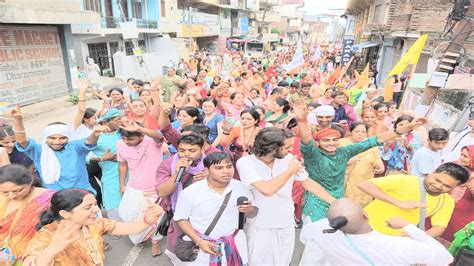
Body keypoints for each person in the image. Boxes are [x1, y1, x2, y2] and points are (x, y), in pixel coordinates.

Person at [292, 98, 426, 223]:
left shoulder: (344, 152)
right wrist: (302, 120)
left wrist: (406, 128)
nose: (331, 143)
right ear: (319, 143)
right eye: (326, 141)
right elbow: (307, 140)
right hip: (316, 204)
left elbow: (375, 140)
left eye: (334, 140)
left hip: (339, 204)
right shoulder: (313, 155)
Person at [236, 127, 336, 265]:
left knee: (284, 262)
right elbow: (266, 189)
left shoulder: (288, 159)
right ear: (272, 148)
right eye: (287, 147)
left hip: (285, 221)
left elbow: (308, 183)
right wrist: (290, 171)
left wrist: (336, 202)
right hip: (259, 225)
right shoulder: (245, 163)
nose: (290, 150)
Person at [22, 189, 163, 265]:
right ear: (65, 213)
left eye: (95, 205)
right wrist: (52, 250)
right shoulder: (46, 236)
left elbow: (131, 229)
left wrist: (148, 219)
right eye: (88, 207)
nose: (96, 210)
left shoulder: (95, 224)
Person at [299, 198, 454, 265]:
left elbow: (305, 238)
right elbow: (444, 257)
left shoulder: (320, 230)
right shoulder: (397, 245)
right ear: (366, 214)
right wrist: (408, 226)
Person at [174, 152, 257, 265]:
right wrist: (199, 241)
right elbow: (181, 219)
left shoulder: (240, 186)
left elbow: (253, 213)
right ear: (207, 170)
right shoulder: (191, 192)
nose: (226, 171)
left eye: (229, 166)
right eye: (219, 168)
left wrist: (249, 209)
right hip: (203, 248)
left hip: (235, 244)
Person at [10, 105, 106, 193]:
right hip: (56, 198)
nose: (57, 142)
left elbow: (89, 142)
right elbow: (22, 141)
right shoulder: (39, 151)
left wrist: (94, 134)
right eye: (52, 138)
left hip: (83, 195)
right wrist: (18, 120)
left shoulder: (75, 147)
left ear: (68, 138)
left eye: (62, 138)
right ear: (45, 138)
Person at [359, 163, 470, 237]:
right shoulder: (406, 180)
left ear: (455, 187)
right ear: (432, 172)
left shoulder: (446, 201)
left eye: (446, 186)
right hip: (364, 230)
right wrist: (398, 203)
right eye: (437, 180)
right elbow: (364, 185)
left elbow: (439, 227)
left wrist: (416, 236)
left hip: (395, 241)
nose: (438, 186)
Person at [156, 133, 208, 263]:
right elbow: (162, 192)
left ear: (202, 149)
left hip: (205, 216)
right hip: (180, 216)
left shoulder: (211, 164)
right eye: (182, 150)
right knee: (181, 251)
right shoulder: (167, 164)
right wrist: (178, 173)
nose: (186, 154)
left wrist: (210, 176)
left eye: (192, 150)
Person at [116, 118, 165, 256]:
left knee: (156, 216)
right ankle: (140, 235)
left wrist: (138, 128)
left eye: (130, 139)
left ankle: (155, 241)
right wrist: (122, 185)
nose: (126, 142)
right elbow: (122, 164)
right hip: (133, 186)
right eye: (124, 138)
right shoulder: (120, 144)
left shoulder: (152, 142)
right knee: (126, 213)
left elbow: (160, 136)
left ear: (141, 135)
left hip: (154, 187)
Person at [0, 165, 55, 264]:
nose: (12, 196)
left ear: (30, 182)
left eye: (18, 190)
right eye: (5, 192)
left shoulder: (48, 198)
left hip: (32, 258)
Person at [339, 122, 384, 206]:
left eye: (363, 132)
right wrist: (346, 161)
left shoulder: (370, 143)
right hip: (347, 182)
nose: (360, 134)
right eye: (357, 131)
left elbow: (377, 159)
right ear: (351, 132)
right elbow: (334, 160)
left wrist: (380, 166)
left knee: (364, 209)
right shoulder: (341, 143)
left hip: (365, 181)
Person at [441, 145, 474, 243]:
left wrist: (471, 186)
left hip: (462, 217)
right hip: (444, 210)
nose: (461, 158)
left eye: (465, 156)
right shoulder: (454, 167)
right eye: (461, 154)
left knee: (453, 241)